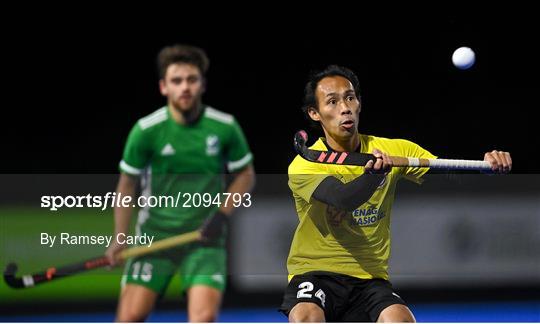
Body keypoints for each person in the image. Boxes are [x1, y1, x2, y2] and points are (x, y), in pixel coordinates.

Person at [280, 65, 511, 322]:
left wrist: (486, 167)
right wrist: (374, 176)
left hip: (369, 279)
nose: (344, 108)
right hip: (315, 274)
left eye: (350, 97)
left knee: (400, 319)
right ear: (315, 113)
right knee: (305, 317)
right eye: (332, 102)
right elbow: (343, 199)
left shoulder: (393, 149)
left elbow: (445, 171)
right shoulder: (304, 164)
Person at [105, 44, 255, 322]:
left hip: (204, 240)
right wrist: (120, 237)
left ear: (202, 84)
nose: (184, 87)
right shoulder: (146, 131)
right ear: (164, 87)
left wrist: (221, 215)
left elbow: (245, 175)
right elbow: (126, 186)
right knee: (129, 317)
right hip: (155, 238)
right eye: (177, 81)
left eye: (191, 80)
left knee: (203, 317)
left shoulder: (224, 127)